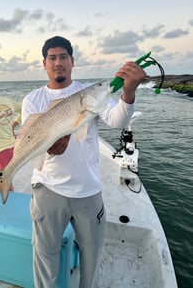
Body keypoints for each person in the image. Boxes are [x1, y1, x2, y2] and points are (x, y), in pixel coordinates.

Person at [21, 36, 146, 288]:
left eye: (63, 57)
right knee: (45, 254)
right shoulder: (32, 100)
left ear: (72, 61)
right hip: (47, 188)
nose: (58, 62)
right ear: (44, 63)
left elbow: (116, 119)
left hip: (87, 190)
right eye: (52, 58)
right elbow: (33, 143)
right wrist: (51, 151)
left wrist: (128, 92)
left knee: (92, 253)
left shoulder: (90, 91)